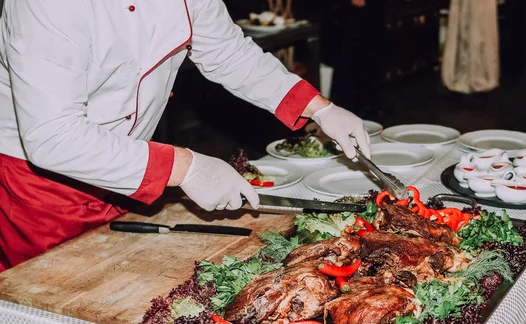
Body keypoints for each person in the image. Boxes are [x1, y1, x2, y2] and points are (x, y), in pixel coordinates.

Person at [0, 0, 371, 271]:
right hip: (43, 188)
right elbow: (53, 137)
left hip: (132, 165)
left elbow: (228, 52)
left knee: (124, 277)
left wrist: (317, 107)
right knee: (56, 306)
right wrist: (185, 167)